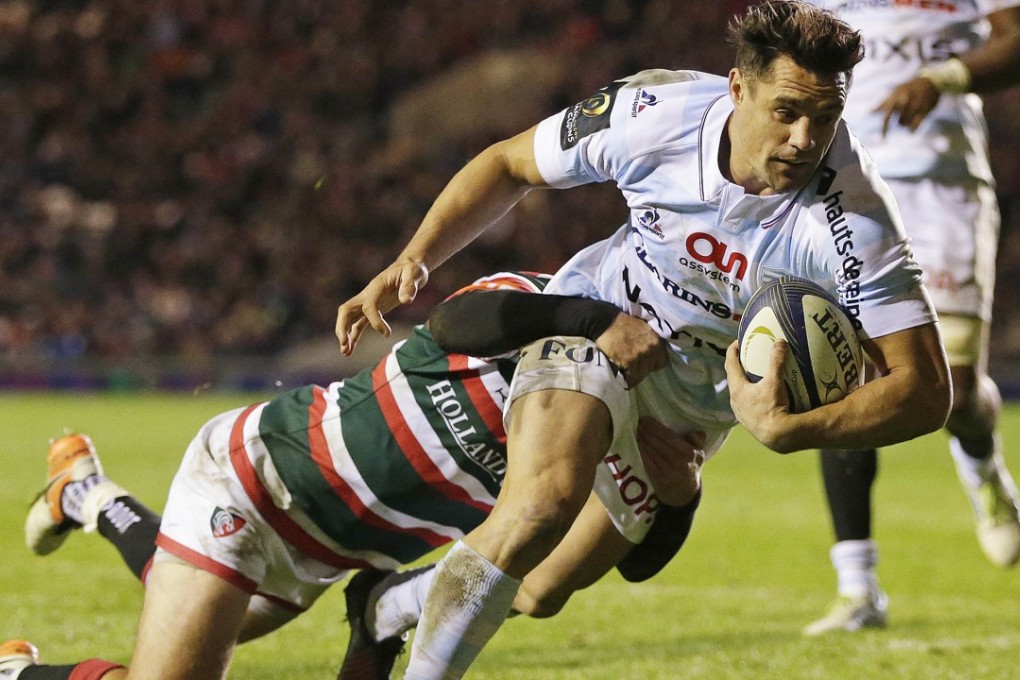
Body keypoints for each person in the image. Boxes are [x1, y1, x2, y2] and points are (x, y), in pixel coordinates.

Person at [335, 2, 952, 677]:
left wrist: (789, 430)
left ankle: (383, 607)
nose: (807, 139)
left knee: (541, 591)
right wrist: (416, 257)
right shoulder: (652, 114)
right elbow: (509, 164)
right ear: (737, 88)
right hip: (599, 323)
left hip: (689, 413)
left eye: (825, 117)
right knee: (539, 510)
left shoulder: (855, 222)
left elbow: (924, 391)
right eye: (786, 111)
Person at [2, 272, 706, 680]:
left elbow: (626, 559)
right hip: (257, 484)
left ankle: (87, 492)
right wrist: (592, 317)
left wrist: (681, 500)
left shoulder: (644, 420)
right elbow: (456, 318)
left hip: (330, 556)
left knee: (178, 630)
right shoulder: (541, 308)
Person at [799, 1, 1020, 636]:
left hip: (941, 185)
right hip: (846, 191)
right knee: (844, 375)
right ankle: (858, 587)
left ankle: (984, 467)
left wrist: (944, 77)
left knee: (950, 385)